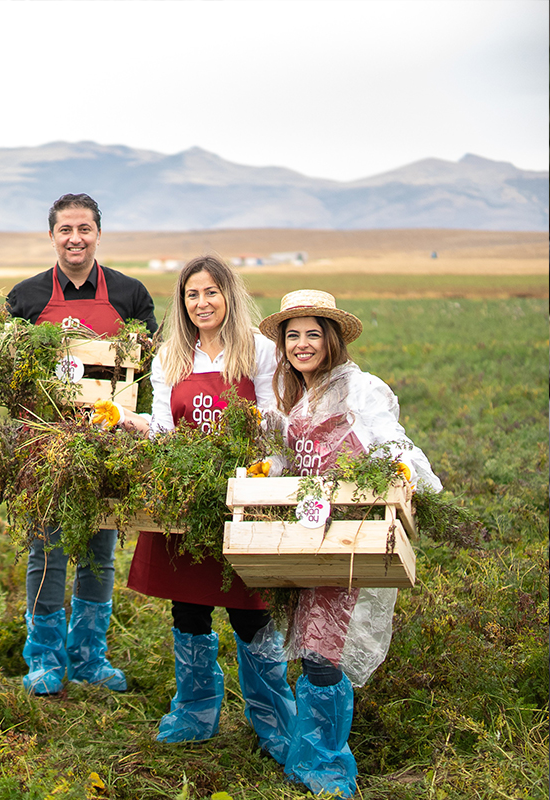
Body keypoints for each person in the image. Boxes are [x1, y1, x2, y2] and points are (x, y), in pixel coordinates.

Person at [258, 290, 442, 796]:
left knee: (326, 650)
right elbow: (285, 459)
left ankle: (329, 768)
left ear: (332, 339)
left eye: (312, 334)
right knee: (309, 643)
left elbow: (390, 441)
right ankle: (307, 757)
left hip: (349, 535)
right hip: (306, 536)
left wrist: (407, 473)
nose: (301, 344)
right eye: (292, 336)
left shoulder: (360, 389)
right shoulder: (292, 397)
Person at [117, 255, 295, 762]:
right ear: (182, 301)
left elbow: (274, 420)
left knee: (251, 612)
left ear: (229, 296)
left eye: (211, 292)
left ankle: (274, 721)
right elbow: (165, 430)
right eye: (192, 294)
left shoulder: (260, 350)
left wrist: (256, 470)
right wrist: (134, 426)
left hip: (243, 494)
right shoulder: (171, 355)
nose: (202, 303)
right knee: (189, 607)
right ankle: (194, 712)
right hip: (187, 498)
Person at [6, 193, 158, 695]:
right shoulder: (25, 299)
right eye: (66, 229)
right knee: (44, 550)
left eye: (85, 229)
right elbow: (9, 378)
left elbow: (152, 371)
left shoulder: (131, 296)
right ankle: (44, 658)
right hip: (45, 448)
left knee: (100, 548)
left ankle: (91, 657)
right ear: (51, 235)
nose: (76, 238)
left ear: (98, 233)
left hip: (109, 446)